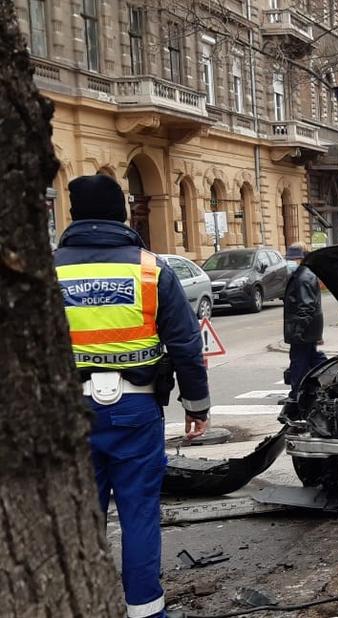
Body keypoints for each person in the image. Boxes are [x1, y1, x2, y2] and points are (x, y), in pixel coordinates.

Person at [54, 174, 210, 618]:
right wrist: (196, 405)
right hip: (135, 408)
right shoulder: (149, 269)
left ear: (74, 214)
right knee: (139, 512)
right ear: (120, 213)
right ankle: (145, 611)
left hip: (67, 415)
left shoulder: (47, 270)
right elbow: (184, 344)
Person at [282, 243, 326, 407]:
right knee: (314, 358)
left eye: (293, 258)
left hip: (303, 329)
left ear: (301, 258)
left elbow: (305, 306)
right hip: (308, 328)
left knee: (299, 360)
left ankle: (297, 394)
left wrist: (298, 331)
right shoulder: (303, 274)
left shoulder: (303, 277)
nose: (290, 261)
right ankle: (331, 378)